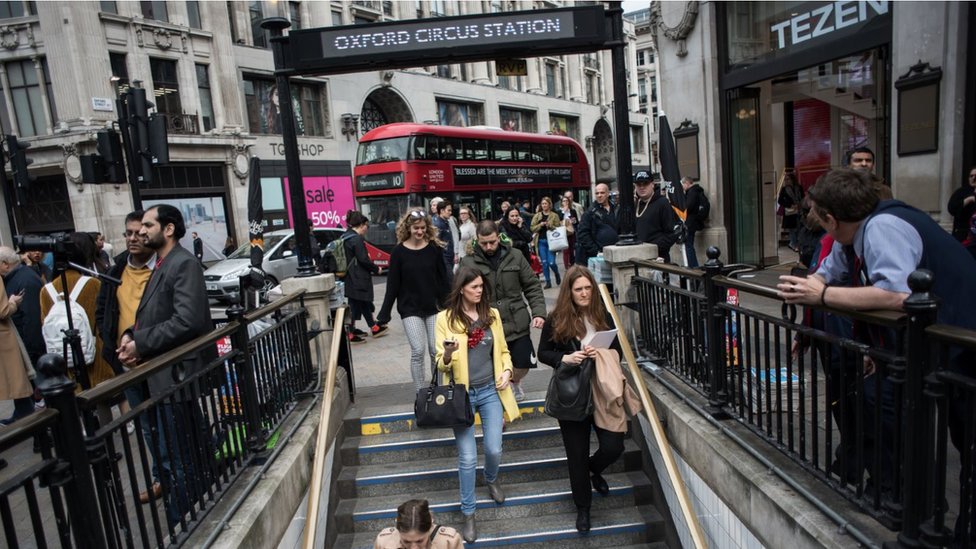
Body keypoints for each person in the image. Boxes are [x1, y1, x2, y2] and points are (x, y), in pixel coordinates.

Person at [778, 169, 976, 539]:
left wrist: (820, 297)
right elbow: (827, 272)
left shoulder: (884, 227)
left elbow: (898, 296)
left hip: (963, 344)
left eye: (818, 215)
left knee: (969, 445)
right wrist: (814, 284)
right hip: (930, 348)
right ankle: (908, 503)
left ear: (831, 219)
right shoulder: (851, 233)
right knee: (883, 403)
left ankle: (948, 524)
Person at [116, 204, 214, 525]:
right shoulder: (163, 263)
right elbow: (155, 312)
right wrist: (133, 334)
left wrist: (141, 342)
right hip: (166, 377)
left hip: (177, 378)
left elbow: (187, 320)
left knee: (183, 456)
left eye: (147, 225)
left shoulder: (183, 264)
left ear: (168, 229)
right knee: (183, 452)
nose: (141, 231)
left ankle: (184, 521)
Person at [538, 266, 630, 533]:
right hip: (572, 394)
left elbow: (618, 352)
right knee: (575, 455)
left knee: (614, 446)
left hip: (602, 391)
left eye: (588, 288)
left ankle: (592, 470)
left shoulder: (602, 315)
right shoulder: (556, 319)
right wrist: (564, 358)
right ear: (569, 291)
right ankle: (583, 509)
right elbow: (543, 352)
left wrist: (600, 353)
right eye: (578, 289)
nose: (584, 293)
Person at [435, 266, 521, 543]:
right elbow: (439, 362)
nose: (479, 291)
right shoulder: (444, 319)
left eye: (482, 287)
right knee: (468, 457)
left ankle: (492, 478)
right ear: (461, 288)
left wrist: (507, 371)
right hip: (462, 397)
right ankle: (469, 513)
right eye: (474, 287)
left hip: (490, 391)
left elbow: (504, 351)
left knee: (494, 448)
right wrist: (447, 354)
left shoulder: (491, 315)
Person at [95, 210, 160, 501]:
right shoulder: (117, 268)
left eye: (140, 232)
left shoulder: (162, 267)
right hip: (128, 364)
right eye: (129, 233)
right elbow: (104, 309)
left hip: (159, 358)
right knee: (146, 424)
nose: (134, 238)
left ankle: (182, 473)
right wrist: (112, 343)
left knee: (169, 419)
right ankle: (162, 476)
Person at [460, 220, 546, 402]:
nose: (489, 246)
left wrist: (538, 312)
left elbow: (532, 286)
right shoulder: (468, 261)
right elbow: (461, 292)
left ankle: (515, 380)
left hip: (517, 320)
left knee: (523, 363)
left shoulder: (515, 256)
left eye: (492, 242)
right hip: (486, 323)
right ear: (477, 240)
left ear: (499, 237)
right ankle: (498, 395)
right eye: (484, 243)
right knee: (492, 365)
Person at [376, 209, 450, 391]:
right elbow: (392, 285)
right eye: (416, 228)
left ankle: (437, 390)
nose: (420, 232)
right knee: (418, 351)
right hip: (410, 309)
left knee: (435, 351)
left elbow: (444, 280)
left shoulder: (434, 249)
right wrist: (384, 313)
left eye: (423, 228)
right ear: (408, 228)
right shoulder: (398, 252)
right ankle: (420, 393)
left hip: (433, 307)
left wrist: (450, 305)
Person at [39, 232, 115, 389]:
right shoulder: (92, 284)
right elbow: (104, 320)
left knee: (77, 404)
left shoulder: (46, 291)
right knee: (105, 402)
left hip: (64, 359)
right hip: (96, 356)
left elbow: (44, 323)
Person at [0, 247, 37, 424]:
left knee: (23, 383)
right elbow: (4, 310)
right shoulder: (16, 277)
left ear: (5, 264)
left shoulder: (24, 278)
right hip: (10, 339)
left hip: (23, 339)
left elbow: (31, 317)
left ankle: (29, 418)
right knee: (19, 383)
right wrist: (12, 303)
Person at [342, 210, 387, 341]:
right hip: (358, 277)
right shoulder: (356, 239)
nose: (367, 229)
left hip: (350, 277)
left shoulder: (345, 236)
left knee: (362, 303)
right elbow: (363, 259)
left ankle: (373, 328)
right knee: (356, 305)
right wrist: (376, 269)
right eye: (367, 226)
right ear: (361, 225)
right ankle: (350, 333)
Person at [373, 499, 462, 549]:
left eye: (420, 541)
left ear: (431, 525)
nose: (413, 548)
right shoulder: (383, 543)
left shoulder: (449, 542)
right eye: (406, 541)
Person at [634, 172, 680, 263]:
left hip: (658, 258)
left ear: (652, 185)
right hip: (638, 256)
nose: (642, 187)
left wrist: (655, 248)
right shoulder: (635, 205)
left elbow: (671, 233)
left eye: (645, 184)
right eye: (639, 184)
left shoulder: (663, 203)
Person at [576, 183, 618, 265]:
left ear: (608, 193)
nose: (599, 195)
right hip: (599, 256)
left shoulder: (616, 208)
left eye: (602, 193)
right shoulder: (589, 212)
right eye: (597, 193)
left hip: (615, 252)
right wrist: (595, 251)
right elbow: (582, 234)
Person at [531, 196, 562, 289]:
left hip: (552, 242)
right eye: (543, 204)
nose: (544, 205)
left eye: (546, 203)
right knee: (544, 263)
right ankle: (548, 282)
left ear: (549, 205)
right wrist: (540, 225)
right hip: (541, 241)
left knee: (551, 263)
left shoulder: (554, 215)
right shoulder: (537, 215)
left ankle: (556, 273)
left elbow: (558, 228)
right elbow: (532, 227)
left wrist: (550, 226)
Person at [682, 177, 708, 267]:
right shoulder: (697, 191)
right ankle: (692, 265)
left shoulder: (692, 192)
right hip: (694, 222)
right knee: (689, 244)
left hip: (690, 223)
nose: (682, 187)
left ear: (687, 183)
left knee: (688, 245)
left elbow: (688, 206)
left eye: (683, 184)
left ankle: (693, 266)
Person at [947, 166, 976, 242]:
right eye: (971, 176)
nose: (973, 178)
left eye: (975, 176)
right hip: (963, 235)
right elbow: (951, 208)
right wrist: (968, 200)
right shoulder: (961, 192)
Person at [430, 198, 456, 278]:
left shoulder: (446, 222)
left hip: (449, 257)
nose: (450, 213)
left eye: (451, 211)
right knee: (450, 282)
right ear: (441, 211)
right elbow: (436, 243)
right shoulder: (438, 224)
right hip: (444, 258)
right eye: (448, 210)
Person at [778, 173, 803, 252]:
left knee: (799, 228)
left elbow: (803, 197)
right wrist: (789, 205)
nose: (786, 181)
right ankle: (794, 244)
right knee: (792, 229)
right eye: (785, 179)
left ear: (792, 179)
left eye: (788, 179)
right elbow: (780, 201)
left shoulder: (798, 188)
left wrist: (799, 204)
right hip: (790, 212)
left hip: (799, 211)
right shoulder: (784, 189)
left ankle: (795, 243)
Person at [559, 195, 579, 268]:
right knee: (565, 250)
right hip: (563, 232)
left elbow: (576, 221)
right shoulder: (559, 211)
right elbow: (558, 220)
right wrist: (564, 212)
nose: (565, 202)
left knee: (571, 249)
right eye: (564, 201)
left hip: (571, 231)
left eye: (567, 201)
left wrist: (573, 220)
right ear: (561, 203)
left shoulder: (573, 211)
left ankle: (572, 264)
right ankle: (566, 266)